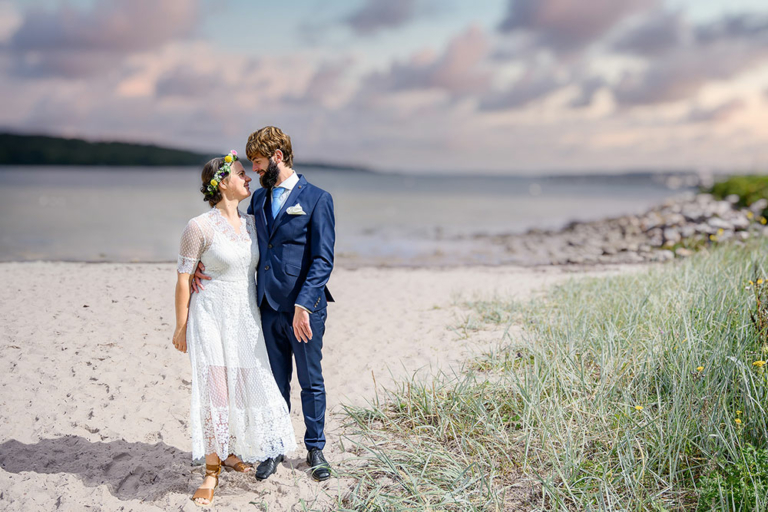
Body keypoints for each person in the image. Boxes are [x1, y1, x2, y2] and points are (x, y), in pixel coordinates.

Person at [194, 127, 336, 482]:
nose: (254, 171)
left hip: (304, 309)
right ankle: (274, 448)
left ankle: (315, 448)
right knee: (273, 381)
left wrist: (304, 305)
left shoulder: (319, 199)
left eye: (257, 163)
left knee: (310, 380)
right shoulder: (257, 201)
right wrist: (202, 264)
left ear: (277, 156)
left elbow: (323, 260)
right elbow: (235, 237)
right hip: (266, 306)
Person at [173, 151, 296, 506]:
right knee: (216, 392)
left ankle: (229, 452)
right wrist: (180, 325)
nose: (248, 179)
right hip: (210, 315)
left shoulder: (254, 223)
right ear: (222, 182)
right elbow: (184, 279)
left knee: (242, 387)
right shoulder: (198, 227)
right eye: (242, 174)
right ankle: (211, 471)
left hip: (245, 317)